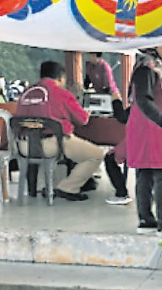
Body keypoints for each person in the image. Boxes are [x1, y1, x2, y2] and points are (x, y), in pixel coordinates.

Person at [14, 61, 105, 202]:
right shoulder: (62, 93)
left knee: (50, 149)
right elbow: (82, 120)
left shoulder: (26, 93)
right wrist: (86, 113)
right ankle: (68, 188)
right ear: (61, 77)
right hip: (52, 144)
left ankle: (43, 186)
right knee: (96, 155)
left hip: (24, 146)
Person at [127, 44, 162, 235]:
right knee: (161, 173)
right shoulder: (146, 68)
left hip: (151, 123)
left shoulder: (153, 66)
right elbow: (143, 98)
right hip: (153, 125)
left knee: (147, 173)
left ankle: (147, 220)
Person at [104, 92, 132, 205]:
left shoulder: (142, 101)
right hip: (159, 143)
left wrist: (116, 101)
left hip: (140, 142)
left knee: (109, 158)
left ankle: (122, 193)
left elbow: (122, 117)